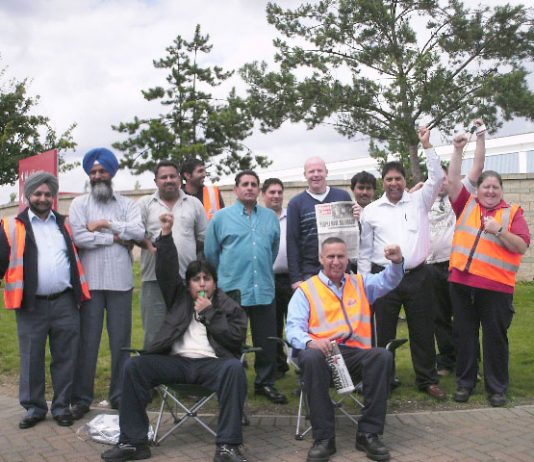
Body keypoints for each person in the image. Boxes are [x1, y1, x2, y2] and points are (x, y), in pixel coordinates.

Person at [101, 213, 249, 462]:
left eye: (207, 279)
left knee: (235, 369)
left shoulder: (228, 305)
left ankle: (227, 447)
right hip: (177, 362)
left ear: (215, 282)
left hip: (213, 365)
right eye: (195, 279)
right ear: (188, 284)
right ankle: (133, 443)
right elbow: (166, 269)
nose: (202, 284)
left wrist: (210, 313)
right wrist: (166, 235)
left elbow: (235, 340)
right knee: (134, 367)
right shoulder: (179, 298)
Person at [287, 237, 405, 462]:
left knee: (382, 356)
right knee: (310, 357)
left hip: (355, 355)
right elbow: (292, 329)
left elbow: (389, 280)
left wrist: (397, 263)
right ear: (321, 259)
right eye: (330, 256)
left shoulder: (360, 283)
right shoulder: (306, 290)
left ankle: (368, 434)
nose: (336, 261)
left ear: (347, 258)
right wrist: (311, 342)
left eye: (340, 256)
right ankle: (324, 439)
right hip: (322, 354)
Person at [358, 126, 447, 400]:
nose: (394, 183)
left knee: (422, 328)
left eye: (398, 178)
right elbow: (363, 251)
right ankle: (383, 377)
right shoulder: (371, 211)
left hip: (418, 276)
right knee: (383, 331)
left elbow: (437, 176)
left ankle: (427, 379)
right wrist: (364, 281)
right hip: (384, 277)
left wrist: (427, 145)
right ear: (382, 182)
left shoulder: (420, 201)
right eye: (388, 179)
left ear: (405, 180)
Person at [0, 172, 90, 429]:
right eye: (37, 194)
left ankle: (61, 406)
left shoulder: (65, 224)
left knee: (66, 356)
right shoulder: (11, 225)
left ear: (54, 197)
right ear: (28, 196)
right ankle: (34, 407)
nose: (42, 198)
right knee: (32, 357)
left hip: (65, 302)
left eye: (47, 194)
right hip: (31, 304)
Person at [447, 132, 530, 407]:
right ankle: (465, 384)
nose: (490, 191)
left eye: (496, 188)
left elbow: (520, 246)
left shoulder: (512, 213)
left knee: (495, 338)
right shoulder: (466, 205)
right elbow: (452, 179)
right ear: (478, 189)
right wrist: (458, 150)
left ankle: (496, 388)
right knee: (465, 336)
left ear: (502, 191)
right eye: (486, 187)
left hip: (495, 289)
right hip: (461, 284)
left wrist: (500, 231)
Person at [69, 148, 145, 418]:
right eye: (93, 172)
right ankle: (81, 398)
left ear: (112, 173)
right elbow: (79, 238)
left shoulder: (128, 204)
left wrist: (104, 223)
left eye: (102, 171)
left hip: (121, 284)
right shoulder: (79, 204)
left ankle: (120, 395)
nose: (98, 175)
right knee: (87, 342)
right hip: (90, 284)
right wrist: (114, 236)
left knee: (121, 342)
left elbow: (138, 231)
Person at [205, 170, 287, 404]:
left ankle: (265, 382)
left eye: (254, 184)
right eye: (245, 184)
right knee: (232, 340)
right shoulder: (220, 218)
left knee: (267, 340)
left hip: (263, 288)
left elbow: (271, 250)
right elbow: (212, 254)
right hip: (232, 290)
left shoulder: (270, 218)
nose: (249, 188)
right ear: (236, 189)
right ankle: (233, 382)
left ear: (258, 190)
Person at [425, 120, 486, 376]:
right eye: (437, 179)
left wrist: (479, 137)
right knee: (439, 317)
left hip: (457, 265)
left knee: (464, 316)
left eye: (446, 178)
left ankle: (470, 360)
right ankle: (448, 360)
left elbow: (478, 166)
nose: (442, 183)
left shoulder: (460, 197)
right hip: (431, 266)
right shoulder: (424, 200)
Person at [138, 160, 207, 348]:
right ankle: (154, 375)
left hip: (187, 280)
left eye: (172, 176)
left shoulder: (194, 204)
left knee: (189, 331)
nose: (168, 180)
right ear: (156, 181)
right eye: (163, 177)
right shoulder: (144, 204)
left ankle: (185, 375)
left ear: (179, 178)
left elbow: (202, 238)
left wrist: (185, 252)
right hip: (154, 279)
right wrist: (152, 248)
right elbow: (137, 235)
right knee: (155, 333)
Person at [287, 157, 352, 291]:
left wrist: (357, 219)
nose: (316, 174)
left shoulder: (343, 196)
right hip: (310, 273)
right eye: (311, 171)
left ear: (326, 172)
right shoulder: (296, 204)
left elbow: (353, 233)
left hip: (340, 270)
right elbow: (292, 242)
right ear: (305, 175)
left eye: (319, 170)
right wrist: (295, 278)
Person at [262, 177, 291, 377]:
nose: (276, 196)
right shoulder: (259, 217)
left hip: (291, 278)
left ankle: (301, 361)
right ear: (263, 195)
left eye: (279, 192)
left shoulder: (291, 217)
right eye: (272, 192)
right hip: (267, 279)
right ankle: (277, 364)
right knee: (272, 325)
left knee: (296, 322)